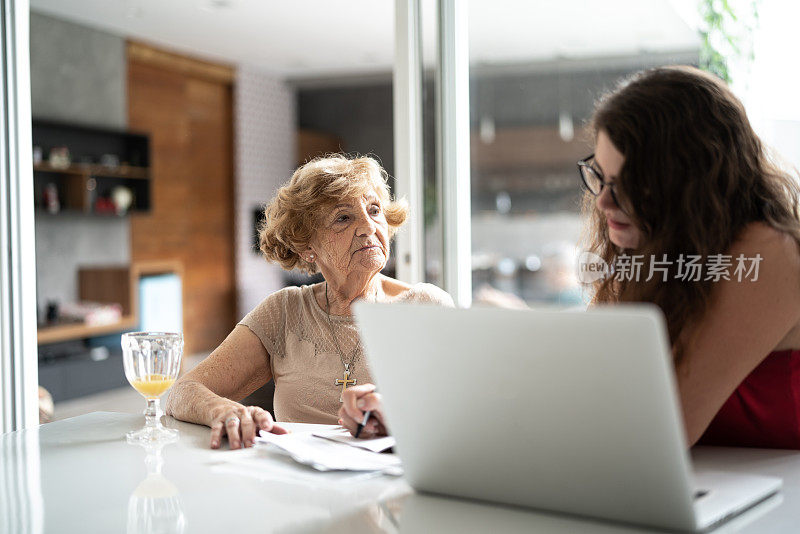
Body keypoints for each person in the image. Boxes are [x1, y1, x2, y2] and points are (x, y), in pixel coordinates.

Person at [340, 66, 800, 450]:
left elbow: (655, 427)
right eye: (600, 175)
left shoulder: (771, 252)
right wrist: (418, 410)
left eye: (630, 183)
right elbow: (595, 387)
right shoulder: (648, 255)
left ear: (692, 185)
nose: (603, 201)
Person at [166, 155, 453, 449]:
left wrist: (396, 420)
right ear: (307, 247)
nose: (368, 226)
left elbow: (463, 415)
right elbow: (182, 392)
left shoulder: (426, 306)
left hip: (391, 484)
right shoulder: (283, 312)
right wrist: (225, 411)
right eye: (344, 217)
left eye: (374, 209)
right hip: (298, 486)